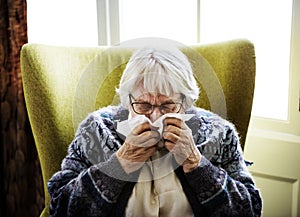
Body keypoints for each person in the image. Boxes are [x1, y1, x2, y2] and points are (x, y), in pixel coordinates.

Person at [48, 45, 262, 217]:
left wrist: (196, 164)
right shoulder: (97, 130)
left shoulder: (218, 134)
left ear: (186, 103)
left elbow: (250, 209)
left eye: (168, 105)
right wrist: (119, 165)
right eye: (143, 105)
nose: (155, 118)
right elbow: (60, 207)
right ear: (127, 100)